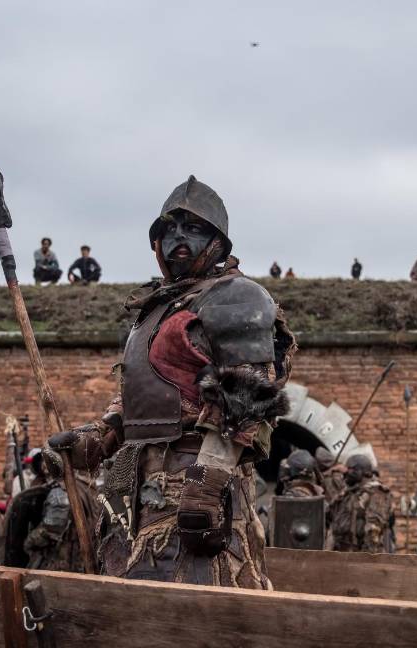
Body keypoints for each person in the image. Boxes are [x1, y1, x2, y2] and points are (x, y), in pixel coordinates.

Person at [43, 175, 295, 589]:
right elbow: (143, 397)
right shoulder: (155, 310)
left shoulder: (235, 295)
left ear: (216, 241)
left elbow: (248, 395)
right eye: (169, 230)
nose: (179, 237)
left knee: (199, 601)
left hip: (195, 478)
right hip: (137, 485)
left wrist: (208, 480)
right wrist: (99, 436)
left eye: (193, 228)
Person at [328, 455, 394, 553]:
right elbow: (331, 516)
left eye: (349, 469)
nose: (345, 473)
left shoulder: (376, 493)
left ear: (359, 471)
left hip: (363, 555)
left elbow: (373, 531)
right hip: (342, 554)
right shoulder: (349, 493)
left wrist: (366, 559)